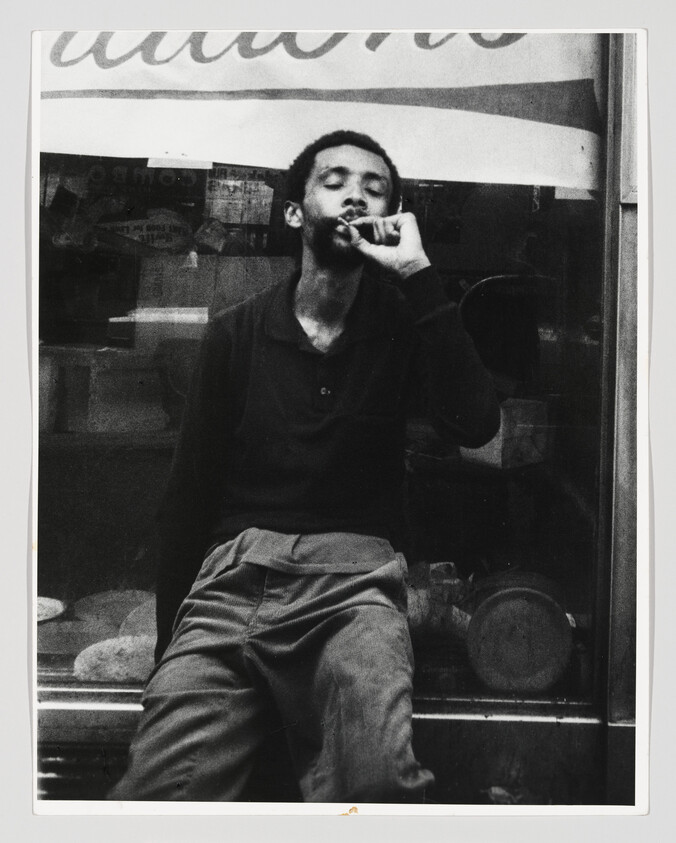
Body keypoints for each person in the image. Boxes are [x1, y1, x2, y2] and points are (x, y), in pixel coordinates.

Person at [109, 130, 500, 803]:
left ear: (391, 217)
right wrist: (171, 650)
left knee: (376, 779)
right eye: (336, 181)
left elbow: (476, 423)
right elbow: (189, 496)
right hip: (234, 582)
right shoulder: (236, 332)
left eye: (375, 189)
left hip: (355, 588)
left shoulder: (403, 323)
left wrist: (417, 273)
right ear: (295, 212)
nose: (356, 195)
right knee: (163, 788)